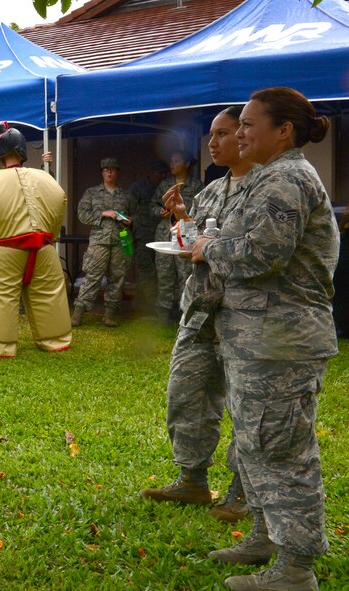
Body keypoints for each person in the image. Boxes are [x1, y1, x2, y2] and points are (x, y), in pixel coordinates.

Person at [192, 88, 338, 591]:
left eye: (248, 124)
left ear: (284, 131)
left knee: (282, 451)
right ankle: (264, 537)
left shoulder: (286, 180)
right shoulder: (268, 176)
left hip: (281, 340)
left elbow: (262, 254)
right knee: (255, 444)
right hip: (259, 338)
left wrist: (209, 248)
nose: (239, 133)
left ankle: (296, 569)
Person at [140, 106, 258, 524]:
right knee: (186, 393)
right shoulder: (211, 190)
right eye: (211, 134)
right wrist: (182, 218)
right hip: (201, 309)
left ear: (245, 136)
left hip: (245, 315)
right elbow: (195, 243)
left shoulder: (265, 188)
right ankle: (192, 479)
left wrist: (206, 246)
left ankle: (243, 492)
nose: (214, 142)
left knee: (248, 406)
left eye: (223, 133)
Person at [0, 123, 70, 358]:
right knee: (48, 295)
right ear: (22, 149)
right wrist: (51, 235)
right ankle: (55, 339)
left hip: (3, 249)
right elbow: (60, 200)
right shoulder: (45, 178)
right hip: (43, 249)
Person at [70, 158, 135, 327]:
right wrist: (103, 213)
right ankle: (78, 312)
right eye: (106, 169)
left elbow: (137, 214)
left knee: (118, 277)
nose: (109, 172)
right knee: (93, 276)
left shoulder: (126, 195)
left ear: (117, 172)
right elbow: (82, 214)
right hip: (99, 241)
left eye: (113, 169)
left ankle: (110, 314)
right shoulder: (92, 193)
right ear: (102, 173)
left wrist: (131, 220)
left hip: (121, 240)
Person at [152, 150, 204, 323]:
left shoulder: (197, 186)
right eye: (171, 160)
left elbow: (202, 212)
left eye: (176, 160)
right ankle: (162, 316)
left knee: (186, 275)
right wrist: (159, 211)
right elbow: (152, 206)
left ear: (187, 164)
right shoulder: (164, 184)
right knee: (164, 275)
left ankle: (185, 315)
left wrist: (185, 215)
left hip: (185, 236)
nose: (172, 164)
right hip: (165, 234)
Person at [128, 160, 168, 312]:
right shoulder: (138, 188)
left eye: (165, 173)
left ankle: (141, 304)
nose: (163, 176)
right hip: (143, 235)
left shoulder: (166, 187)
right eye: (160, 173)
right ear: (151, 172)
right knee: (146, 269)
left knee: (159, 271)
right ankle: (151, 305)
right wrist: (132, 219)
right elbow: (127, 207)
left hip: (162, 235)